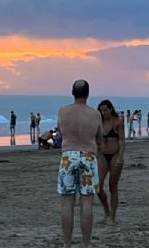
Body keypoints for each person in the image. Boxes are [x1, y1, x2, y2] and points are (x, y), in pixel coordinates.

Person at [57, 80, 102, 248]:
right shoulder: (95, 114)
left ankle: (67, 244)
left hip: (68, 155)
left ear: (72, 92)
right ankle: (86, 244)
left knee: (67, 202)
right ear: (88, 93)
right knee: (86, 202)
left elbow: (61, 132)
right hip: (88, 156)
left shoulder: (63, 111)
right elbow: (99, 136)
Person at [96, 99, 125, 225]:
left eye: (105, 110)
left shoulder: (117, 122)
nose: (103, 113)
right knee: (98, 186)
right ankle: (106, 211)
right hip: (102, 154)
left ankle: (112, 216)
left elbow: (122, 140)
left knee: (113, 187)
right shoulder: (98, 122)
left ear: (111, 109)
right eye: (101, 111)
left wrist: (120, 157)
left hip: (115, 155)